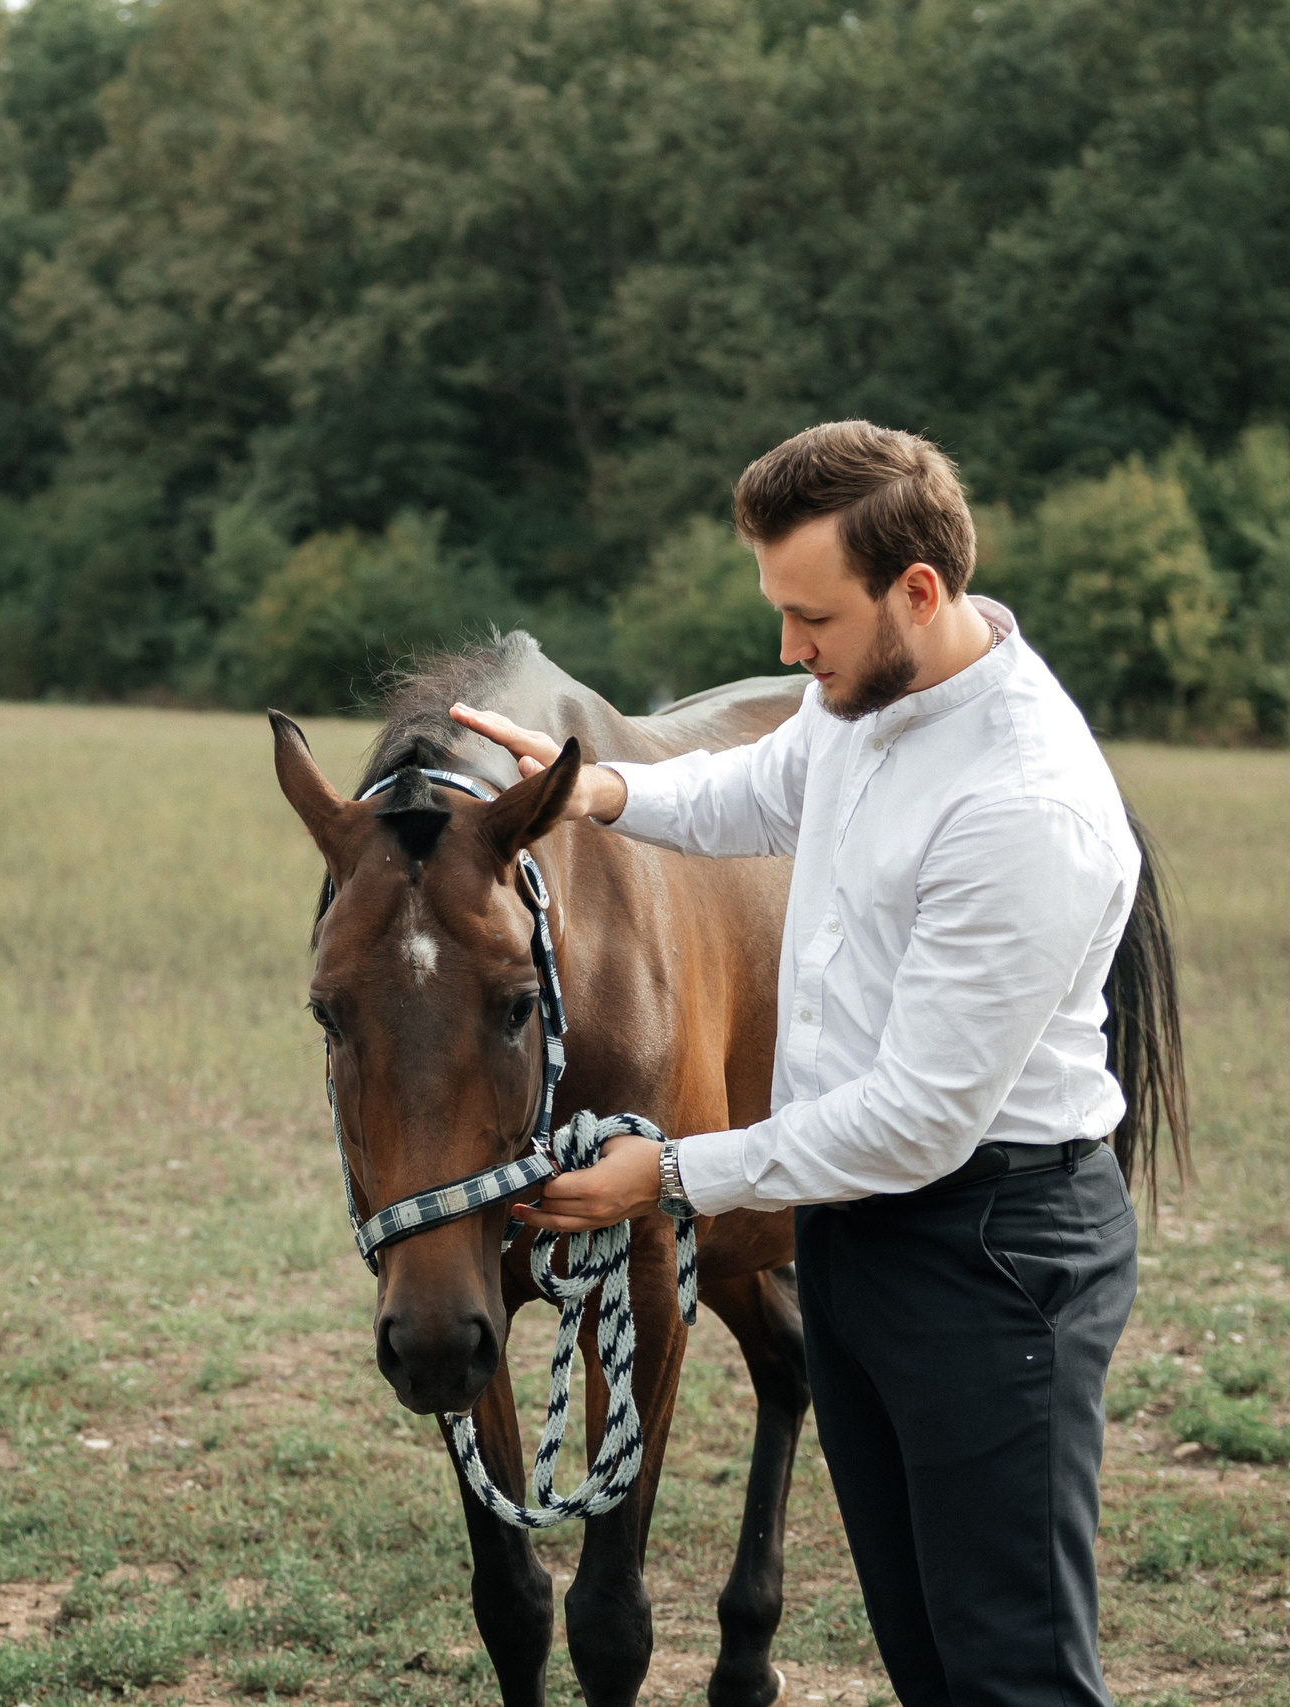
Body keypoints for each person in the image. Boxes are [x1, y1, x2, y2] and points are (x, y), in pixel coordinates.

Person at [452, 421, 1141, 1707]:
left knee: (1014, 1672)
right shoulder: (869, 698)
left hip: (986, 1255)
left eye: (808, 615)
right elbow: (760, 793)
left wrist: (665, 1173)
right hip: (862, 1243)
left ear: (916, 592)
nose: (785, 649)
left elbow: (913, 1124)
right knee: (931, 1660)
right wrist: (593, 794)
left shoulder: (1019, 805)